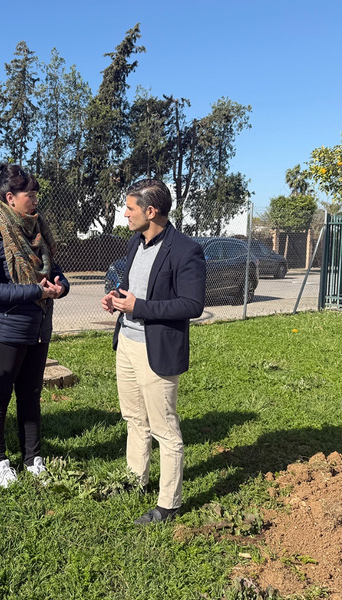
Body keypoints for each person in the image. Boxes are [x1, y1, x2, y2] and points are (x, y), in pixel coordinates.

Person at [100, 179, 206, 524]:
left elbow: (192, 305)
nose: (125, 214)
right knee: (134, 419)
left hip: (157, 350)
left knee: (165, 430)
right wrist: (118, 298)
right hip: (127, 343)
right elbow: (134, 287)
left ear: (150, 211)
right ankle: (136, 481)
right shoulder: (136, 241)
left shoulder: (186, 250)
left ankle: (168, 504)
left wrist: (139, 307)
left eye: (130, 208)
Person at [0, 162, 69, 487]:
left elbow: (54, 270)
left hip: (37, 327)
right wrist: (36, 291)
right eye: (31, 194)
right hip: (2, 329)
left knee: (31, 393)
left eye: (36, 193)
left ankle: (33, 458)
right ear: (10, 198)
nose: (36, 198)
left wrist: (61, 286)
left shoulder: (38, 228)